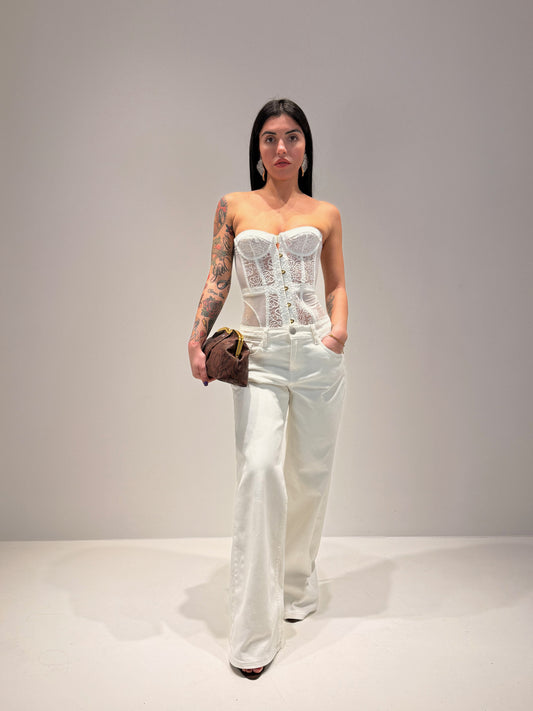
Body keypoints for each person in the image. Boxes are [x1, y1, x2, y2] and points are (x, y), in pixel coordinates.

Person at [188, 98, 347, 678]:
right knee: (259, 470)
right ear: (257, 149)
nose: (281, 147)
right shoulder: (233, 206)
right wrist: (196, 337)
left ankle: (296, 585)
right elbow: (218, 276)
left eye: (292, 137)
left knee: (310, 476)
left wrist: (338, 332)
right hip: (260, 356)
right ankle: (254, 636)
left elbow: (336, 284)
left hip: (317, 353)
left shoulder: (326, 212)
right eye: (270, 138)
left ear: (306, 147)